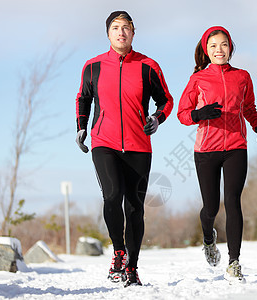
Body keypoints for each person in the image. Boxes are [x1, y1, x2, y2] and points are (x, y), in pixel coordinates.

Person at [75, 11, 173, 287]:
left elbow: (165, 100)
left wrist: (157, 118)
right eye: (115, 28)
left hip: (139, 145)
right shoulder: (93, 66)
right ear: (108, 33)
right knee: (112, 195)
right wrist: (81, 127)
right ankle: (118, 250)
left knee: (135, 208)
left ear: (133, 32)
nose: (121, 32)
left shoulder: (147, 66)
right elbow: (83, 98)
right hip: (103, 142)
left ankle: (132, 266)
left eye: (126, 28)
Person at [177, 26, 257, 282]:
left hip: (236, 147)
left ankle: (234, 261)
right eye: (213, 46)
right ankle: (209, 239)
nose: (219, 50)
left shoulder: (242, 77)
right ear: (206, 51)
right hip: (206, 149)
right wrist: (199, 114)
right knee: (210, 207)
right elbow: (183, 114)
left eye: (223, 45)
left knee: (232, 201)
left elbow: (249, 108)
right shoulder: (198, 79)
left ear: (230, 47)